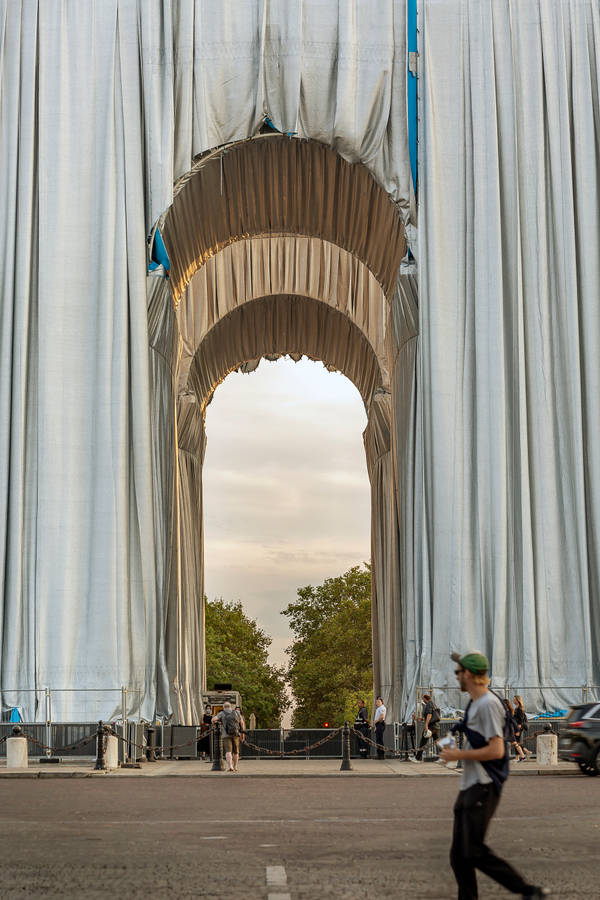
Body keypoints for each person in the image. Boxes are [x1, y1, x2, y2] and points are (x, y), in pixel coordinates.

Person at [440, 651, 548, 900]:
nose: (456, 676)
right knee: (459, 856)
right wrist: (447, 747)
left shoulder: (488, 704)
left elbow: (497, 749)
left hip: (484, 786)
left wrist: (457, 755)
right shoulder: (475, 703)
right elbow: (471, 737)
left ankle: (528, 891)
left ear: (468, 674)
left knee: (474, 851)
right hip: (471, 785)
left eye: (458, 672)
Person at [212, 701, 242, 772]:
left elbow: (213, 719)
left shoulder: (222, 713)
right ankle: (235, 766)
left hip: (226, 735)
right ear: (230, 706)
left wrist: (214, 722)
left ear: (224, 707)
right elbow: (242, 722)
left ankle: (230, 766)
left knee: (228, 751)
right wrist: (242, 732)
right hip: (236, 734)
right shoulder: (237, 712)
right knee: (236, 752)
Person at [411, 692, 441, 762]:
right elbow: (431, 715)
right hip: (435, 726)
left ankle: (418, 758)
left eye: (423, 699)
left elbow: (429, 715)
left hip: (431, 726)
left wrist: (426, 725)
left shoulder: (429, 704)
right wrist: (419, 719)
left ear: (425, 699)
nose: (423, 700)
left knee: (423, 741)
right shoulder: (433, 704)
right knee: (437, 741)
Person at [503, 698, 525, 762]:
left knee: (514, 743)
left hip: (508, 730)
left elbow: (513, 722)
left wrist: (517, 730)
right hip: (507, 730)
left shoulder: (508, 712)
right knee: (514, 743)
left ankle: (522, 756)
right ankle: (523, 756)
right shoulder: (506, 711)